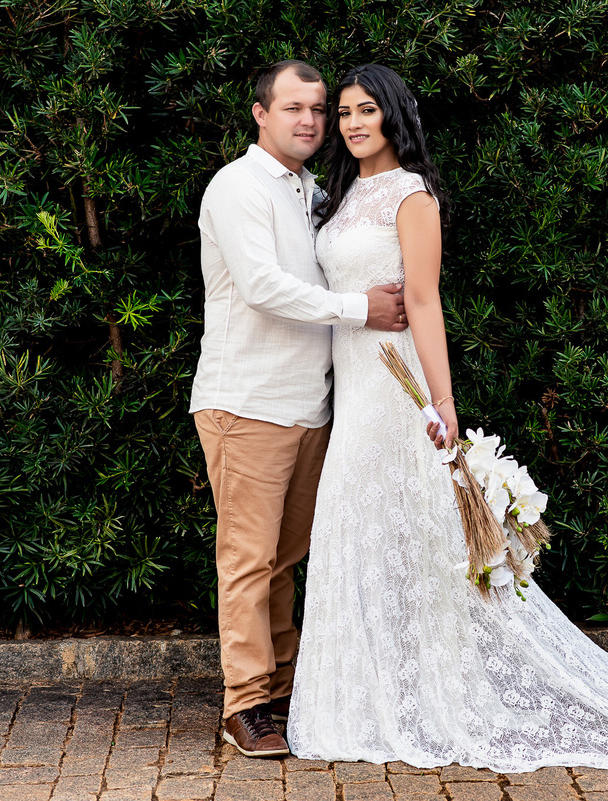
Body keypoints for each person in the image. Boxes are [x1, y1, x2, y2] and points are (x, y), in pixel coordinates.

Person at [286, 64, 608, 772]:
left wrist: (443, 402)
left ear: (395, 115)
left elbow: (423, 300)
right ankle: (367, 697)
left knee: (428, 538)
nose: (354, 123)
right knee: (355, 523)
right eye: (344, 113)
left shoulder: (410, 195)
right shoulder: (340, 196)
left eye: (368, 110)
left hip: (398, 388)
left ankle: (441, 695)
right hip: (351, 387)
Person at [191, 59, 411, 759]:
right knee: (248, 559)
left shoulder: (312, 189)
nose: (311, 120)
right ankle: (246, 701)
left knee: (285, 558)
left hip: (310, 406)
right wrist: (361, 310)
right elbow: (262, 287)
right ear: (260, 113)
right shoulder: (238, 185)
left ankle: (282, 688)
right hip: (247, 402)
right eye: (294, 108)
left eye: (319, 108)